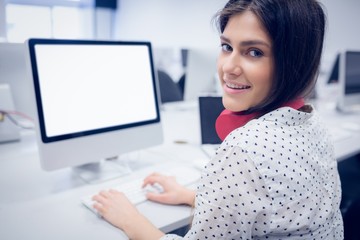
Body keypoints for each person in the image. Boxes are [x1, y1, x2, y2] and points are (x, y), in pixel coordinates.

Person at [92, 0, 344, 239]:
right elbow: (280, 210)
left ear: (294, 63)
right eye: (226, 47)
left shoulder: (245, 149)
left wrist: (129, 218)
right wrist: (193, 196)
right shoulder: (310, 120)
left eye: (254, 52)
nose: (228, 67)